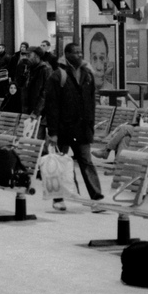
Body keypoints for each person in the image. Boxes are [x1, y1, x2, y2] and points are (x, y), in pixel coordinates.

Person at [44, 42, 106, 211]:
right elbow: (52, 106)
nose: (79, 55)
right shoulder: (57, 76)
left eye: (80, 52)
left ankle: (96, 198)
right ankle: (58, 199)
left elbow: (92, 103)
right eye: (75, 52)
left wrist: (91, 125)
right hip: (63, 128)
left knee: (87, 162)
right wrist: (53, 132)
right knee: (59, 163)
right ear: (67, 54)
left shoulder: (88, 74)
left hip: (82, 128)